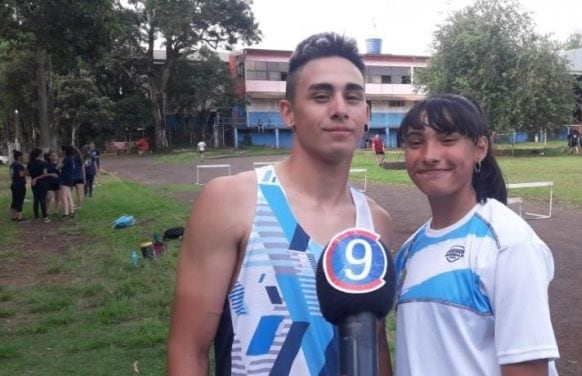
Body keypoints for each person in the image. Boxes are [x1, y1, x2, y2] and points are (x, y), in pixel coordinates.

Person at [167, 32, 394, 376]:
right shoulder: (231, 202)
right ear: (288, 112)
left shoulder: (376, 223)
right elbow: (187, 351)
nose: (339, 109)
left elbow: (374, 349)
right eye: (321, 96)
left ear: (366, 113)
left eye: (352, 97)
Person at [394, 94, 559, 376]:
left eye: (447, 140)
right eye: (416, 142)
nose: (430, 155)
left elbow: (528, 368)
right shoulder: (409, 252)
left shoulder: (509, 244)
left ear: (480, 149)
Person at [26, 148, 50, 222]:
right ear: (39, 154)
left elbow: (27, 173)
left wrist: (33, 177)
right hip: (42, 182)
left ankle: (36, 216)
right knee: (42, 199)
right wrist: (37, 178)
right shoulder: (42, 163)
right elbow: (45, 174)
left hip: (33, 183)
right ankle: (45, 216)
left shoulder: (30, 163)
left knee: (36, 199)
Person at [9, 150, 27, 222]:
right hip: (20, 185)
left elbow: (11, 175)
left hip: (14, 184)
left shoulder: (12, 164)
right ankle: (20, 218)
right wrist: (26, 170)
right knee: (19, 200)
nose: (23, 157)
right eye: (22, 156)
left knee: (15, 200)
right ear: (19, 157)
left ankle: (14, 217)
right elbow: (21, 174)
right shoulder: (18, 165)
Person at [59, 145, 76, 218]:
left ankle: (66, 213)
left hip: (65, 178)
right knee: (69, 196)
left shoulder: (66, 159)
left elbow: (58, 166)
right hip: (71, 178)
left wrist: (59, 162)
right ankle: (71, 212)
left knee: (64, 197)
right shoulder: (72, 159)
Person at [43, 151, 61, 217]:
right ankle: (46, 211)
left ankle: (56, 211)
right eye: (52, 155)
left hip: (58, 182)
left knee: (58, 198)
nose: (54, 157)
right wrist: (51, 174)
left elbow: (61, 173)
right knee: (48, 198)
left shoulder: (59, 164)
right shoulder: (46, 164)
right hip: (49, 183)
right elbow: (44, 174)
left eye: (55, 155)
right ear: (49, 157)